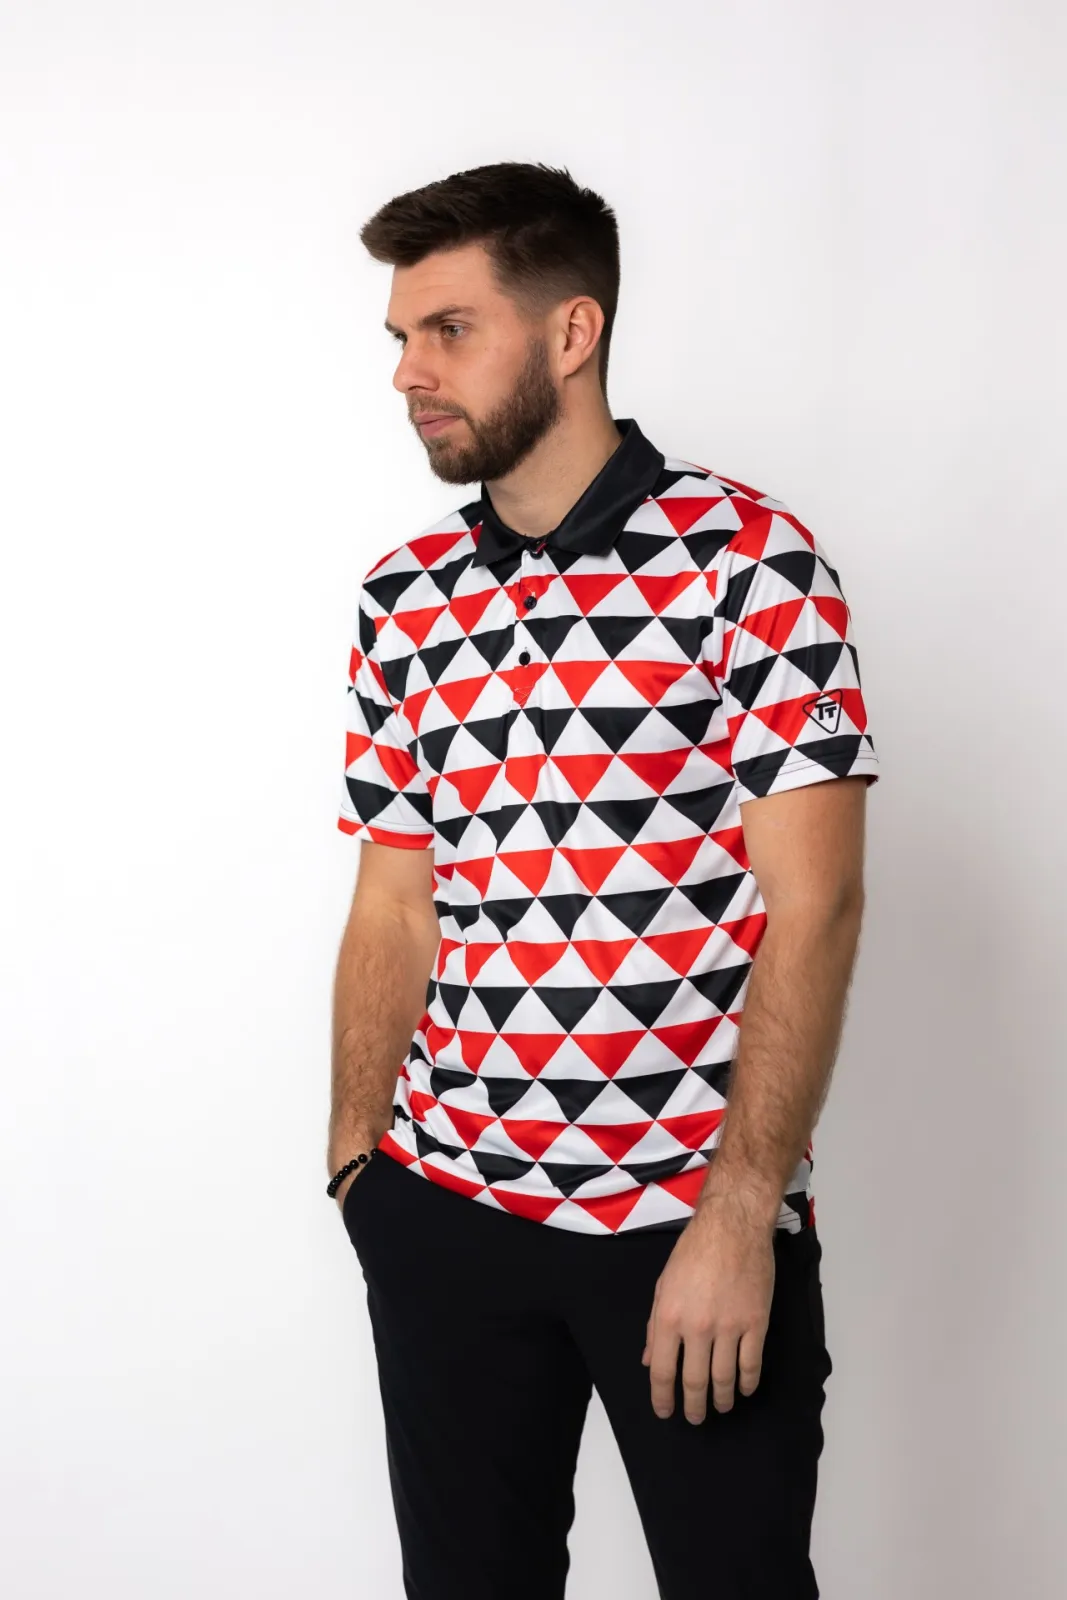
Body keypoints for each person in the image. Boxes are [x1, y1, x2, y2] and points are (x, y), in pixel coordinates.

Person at [326, 160, 880, 1600]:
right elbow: (394, 896)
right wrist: (360, 1166)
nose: (408, 373)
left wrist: (740, 1213)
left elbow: (816, 904)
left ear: (571, 332)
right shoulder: (405, 595)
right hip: (444, 1211)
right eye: (400, 337)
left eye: (448, 329)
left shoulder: (747, 560)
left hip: (684, 1224)